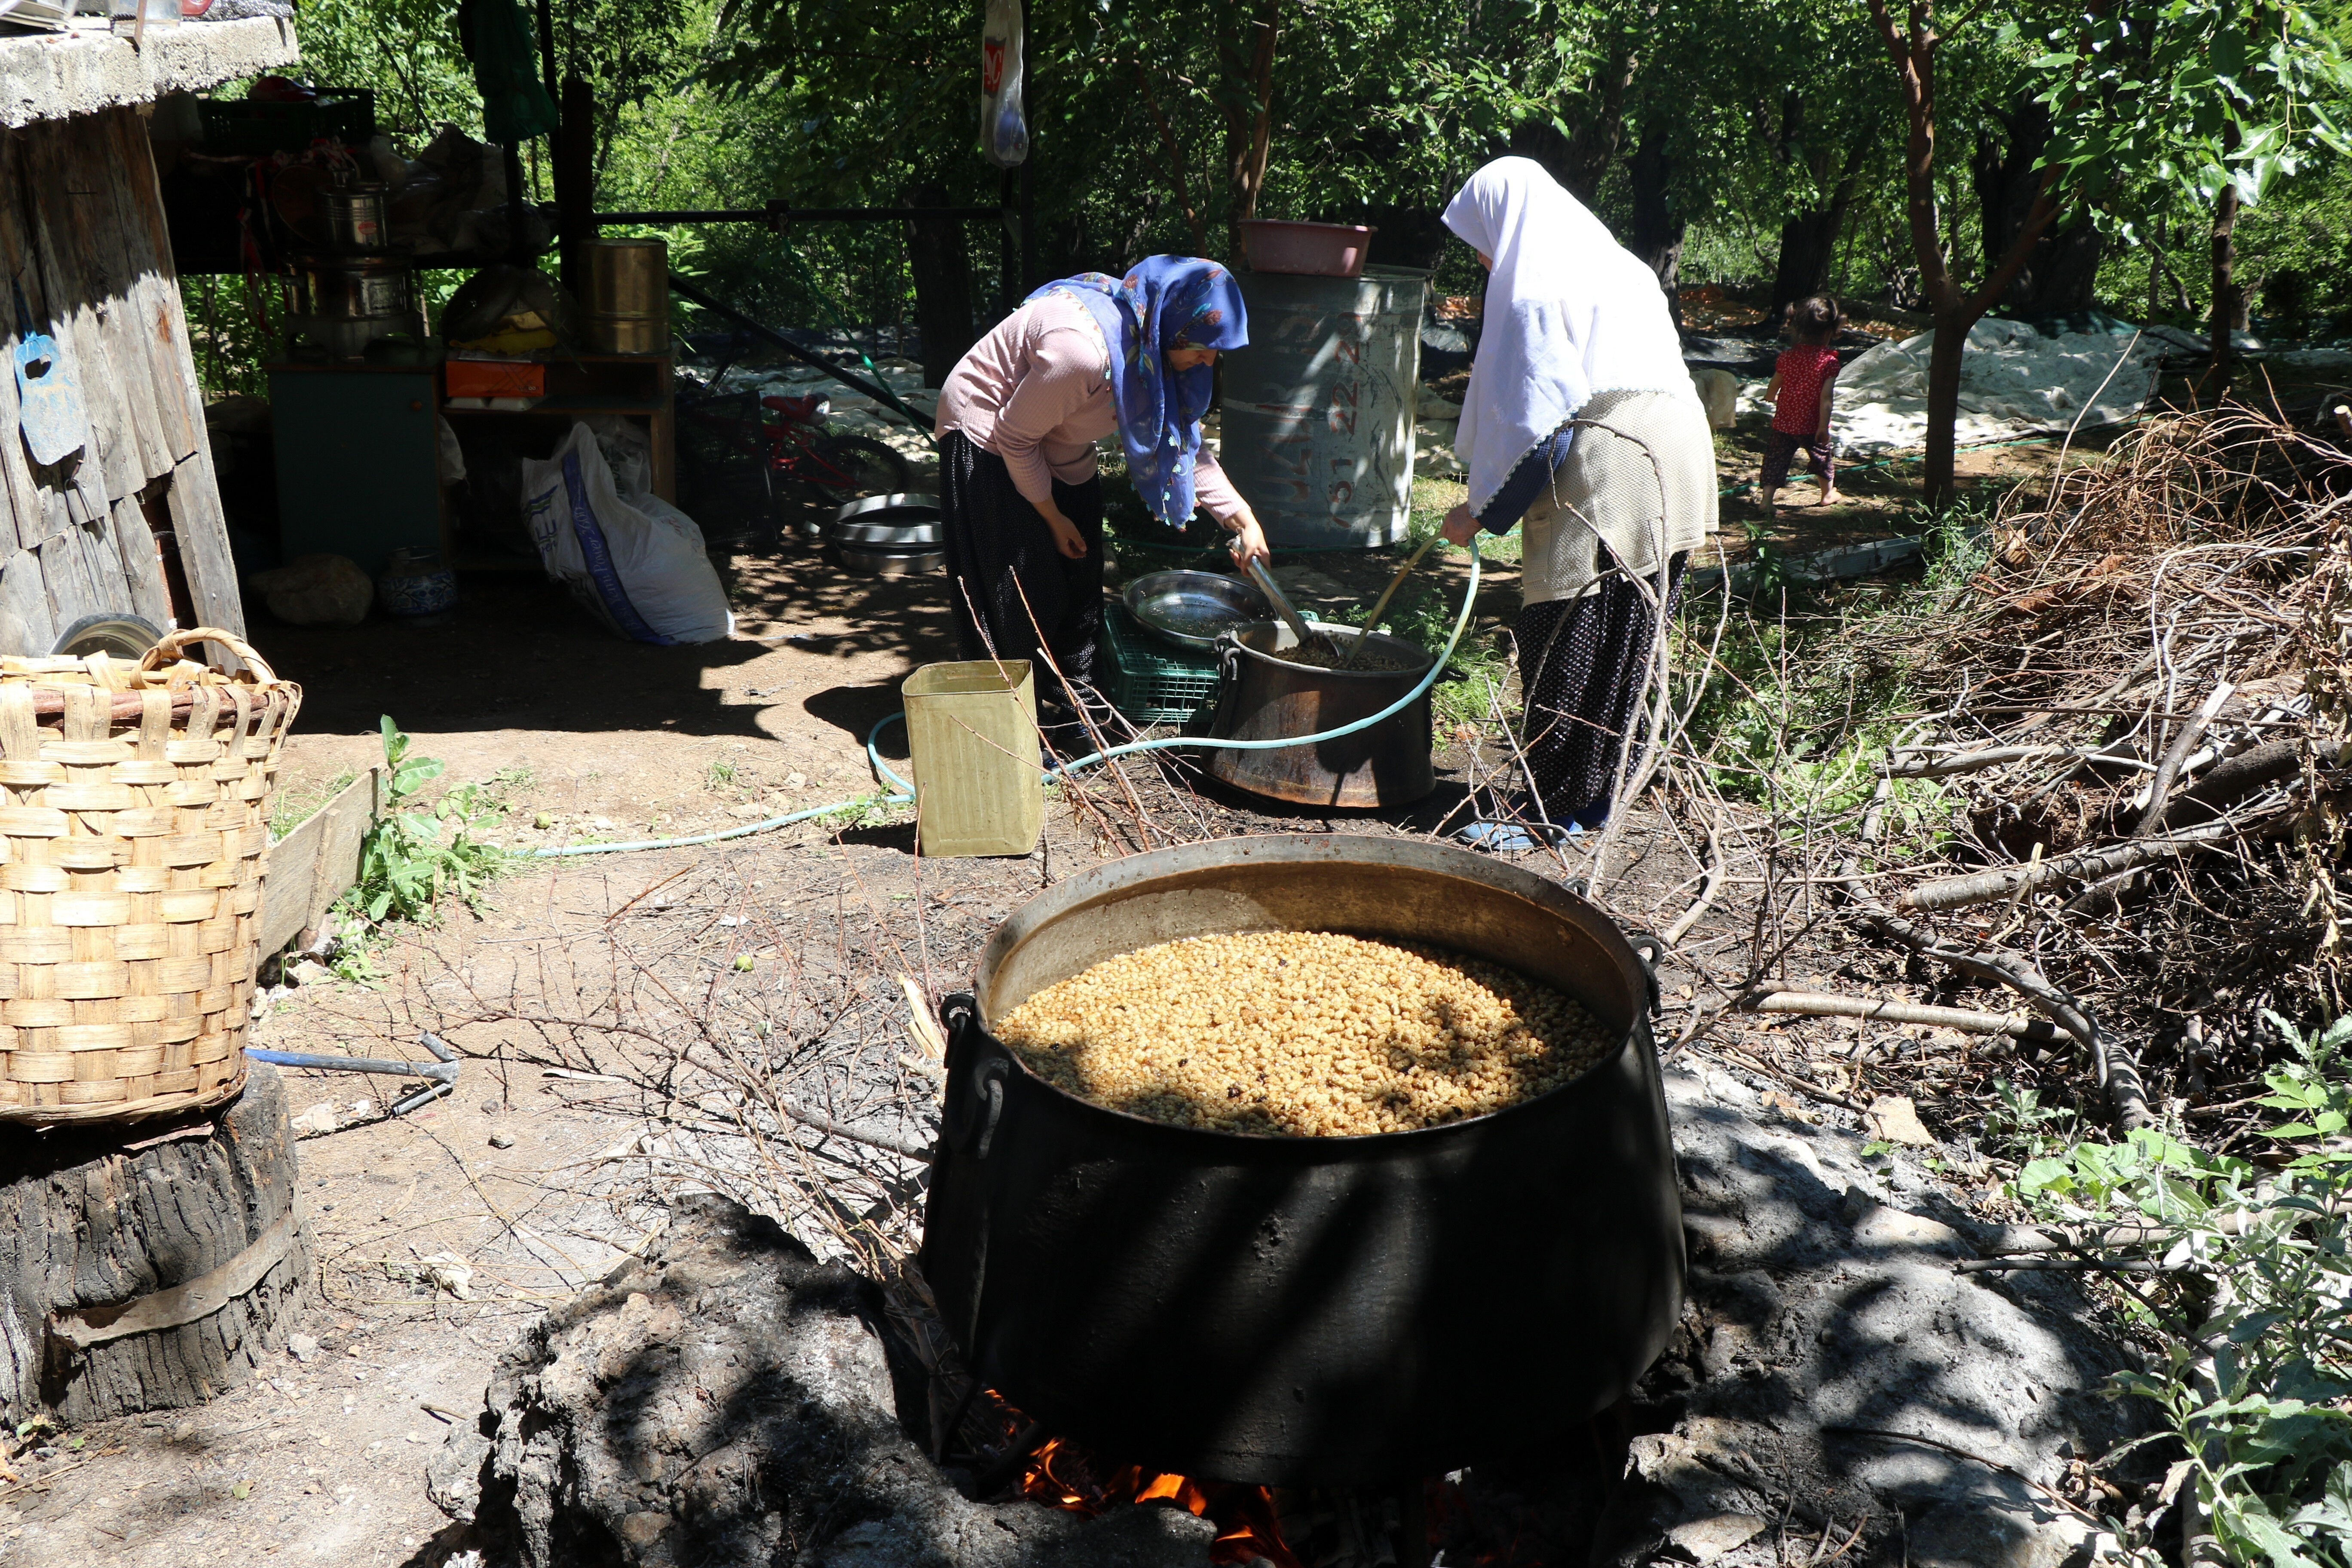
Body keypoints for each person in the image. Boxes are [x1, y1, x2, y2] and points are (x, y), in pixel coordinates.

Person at [1436, 157, 1719, 843]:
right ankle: (1592, 802)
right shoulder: (1619, 264)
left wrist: (1481, 515)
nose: (1479, 254)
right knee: (1631, 629)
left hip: (1617, 452)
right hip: (1679, 447)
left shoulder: (1535, 284)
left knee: (1564, 627)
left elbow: (1540, 430)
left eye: (1479, 235)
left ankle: (1546, 816)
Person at [934, 257, 1272, 725]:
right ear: (1172, 328)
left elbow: (1180, 443)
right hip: (988, 430)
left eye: (1217, 352)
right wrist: (1052, 518)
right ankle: (1013, 727)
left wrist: (1242, 518)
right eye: (1201, 347)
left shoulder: (1154, 347)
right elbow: (1015, 436)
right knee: (1018, 587)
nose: (1208, 361)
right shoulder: (1083, 352)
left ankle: (1075, 701)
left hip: (1057, 434)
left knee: (1081, 570)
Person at [1760, 295, 1844, 515]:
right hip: (1811, 423)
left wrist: (1770, 397)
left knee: (1776, 458)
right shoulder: (1829, 363)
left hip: (1784, 421)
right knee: (1821, 457)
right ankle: (1827, 494)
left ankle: (1767, 500)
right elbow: (1826, 398)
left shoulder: (1788, 357)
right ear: (1829, 332)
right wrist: (1823, 427)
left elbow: (1775, 383)